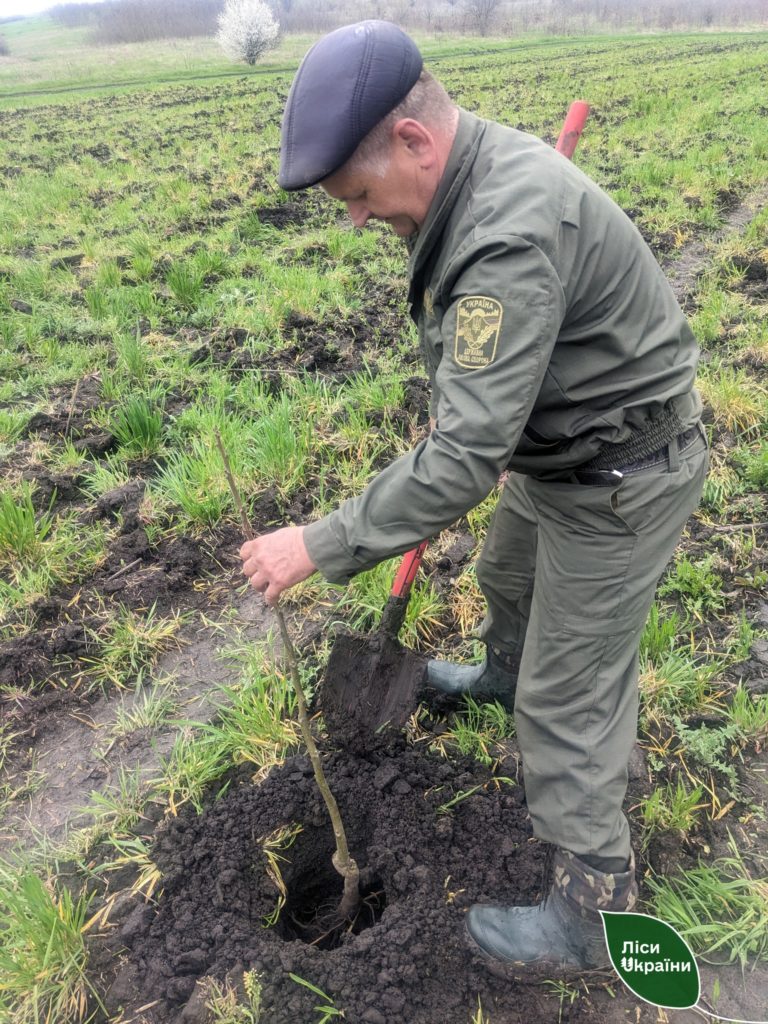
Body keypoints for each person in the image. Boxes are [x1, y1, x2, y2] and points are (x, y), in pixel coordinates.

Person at [239, 20, 708, 973]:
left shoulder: (506, 232)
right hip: (561, 450)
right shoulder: (471, 171)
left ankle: (591, 915)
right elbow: (480, 411)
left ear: (412, 142)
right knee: (507, 576)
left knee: (567, 701)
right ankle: (500, 674)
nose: (358, 220)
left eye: (360, 197)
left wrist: (317, 545)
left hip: (619, 477)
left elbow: (459, 464)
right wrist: (480, 420)